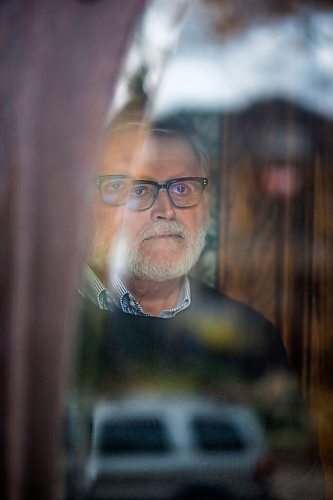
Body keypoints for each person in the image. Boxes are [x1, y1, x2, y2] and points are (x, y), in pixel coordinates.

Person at [73, 116, 324, 499]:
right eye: (135, 189)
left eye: (183, 187)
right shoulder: (43, 334)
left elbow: (297, 479)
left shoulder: (249, 335)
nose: (165, 209)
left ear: (206, 208)